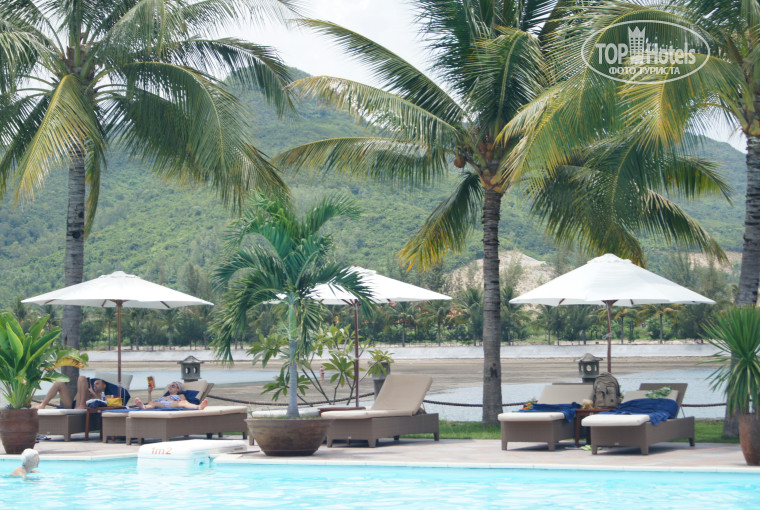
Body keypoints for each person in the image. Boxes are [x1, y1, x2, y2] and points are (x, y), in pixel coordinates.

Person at [33, 376, 109, 410]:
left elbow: (101, 402)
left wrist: (93, 394)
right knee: (59, 383)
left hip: (82, 405)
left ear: (104, 385)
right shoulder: (89, 388)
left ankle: (82, 405)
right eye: (94, 383)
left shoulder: (103, 394)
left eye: (97, 383)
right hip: (73, 404)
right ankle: (42, 405)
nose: (95, 385)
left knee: (82, 378)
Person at [135, 380, 208, 410]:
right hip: (161, 404)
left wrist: (180, 400)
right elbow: (150, 403)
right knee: (152, 403)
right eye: (169, 386)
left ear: (178, 389)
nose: (170, 387)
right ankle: (143, 407)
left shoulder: (180, 395)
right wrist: (149, 392)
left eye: (173, 386)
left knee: (184, 403)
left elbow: (183, 401)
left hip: (172, 404)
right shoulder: (164, 396)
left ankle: (198, 407)